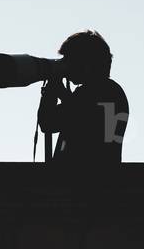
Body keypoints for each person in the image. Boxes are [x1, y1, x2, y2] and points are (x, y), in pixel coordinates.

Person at [37, 30, 129, 164]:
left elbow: (48, 122)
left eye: (69, 60)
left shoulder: (90, 92)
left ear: (85, 63)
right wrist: (63, 94)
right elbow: (85, 117)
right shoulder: (114, 92)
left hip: (80, 174)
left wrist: (51, 93)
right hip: (105, 172)